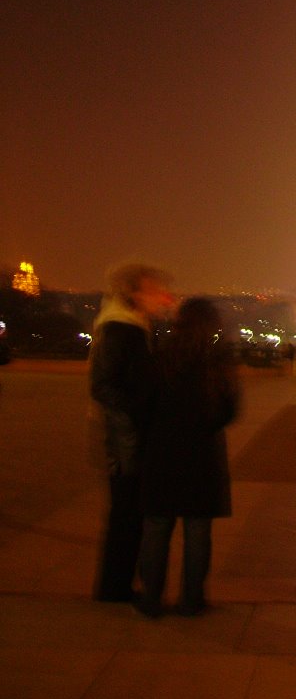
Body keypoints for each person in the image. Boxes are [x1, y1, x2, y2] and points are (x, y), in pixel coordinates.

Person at [134, 298, 240, 617]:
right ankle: (192, 600)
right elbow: (229, 409)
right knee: (197, 530)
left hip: (162, 450)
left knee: (156, 526)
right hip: (202, 453)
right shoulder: (217, 360)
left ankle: (151, 598)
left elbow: (141, 404)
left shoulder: (160, 355)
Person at [89, 262, 175, 602]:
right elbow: (103, 386)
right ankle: (115, 588)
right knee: (126, 516)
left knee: (128, 516)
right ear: (134, 294)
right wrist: (134, 420)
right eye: (154, 290)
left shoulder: (132, 328)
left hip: (132, 437)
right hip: (128, 441)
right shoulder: (121, 331)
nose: (162, 297)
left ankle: (117, 586)